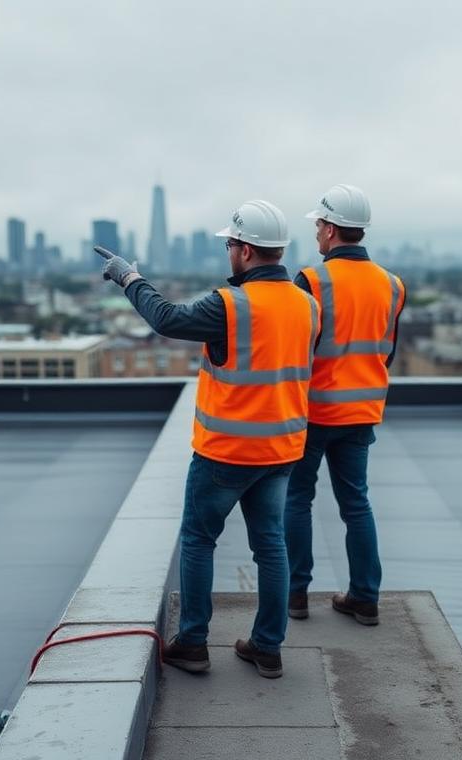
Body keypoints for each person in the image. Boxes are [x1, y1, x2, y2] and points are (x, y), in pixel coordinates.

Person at [96, 200, 320, 678]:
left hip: (227, 450)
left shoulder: (229, 304)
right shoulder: (308, 304)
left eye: (228, 244)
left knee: (199, 540)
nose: (227, 252)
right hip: (281, 448)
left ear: (243, 249)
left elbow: (167, 320)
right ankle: (267, 646)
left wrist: (129, 278)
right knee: (271, 545)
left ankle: (194, 643)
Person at [284, 184, 405, 626]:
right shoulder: (393, 285)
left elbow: (298, 347)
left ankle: (295, 596)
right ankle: (365, 598)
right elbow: (387, 350)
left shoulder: (312, 280)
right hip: (362, 411)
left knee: (297, 499)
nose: (316, 232)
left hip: (314, 410)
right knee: (356, 504)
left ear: (331, 229)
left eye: (318, 224)